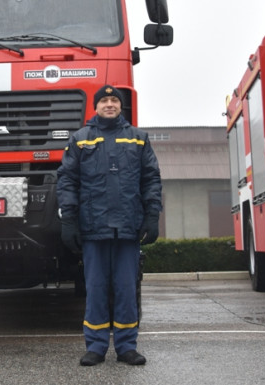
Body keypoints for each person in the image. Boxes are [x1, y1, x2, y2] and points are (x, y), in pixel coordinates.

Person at [56, 84, 162, 366]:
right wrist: (69, 219)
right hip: (93, 228)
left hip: (128, 228)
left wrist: (152, 215)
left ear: (121, 106)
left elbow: (151, 179)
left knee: (127, 288)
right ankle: (96, 346)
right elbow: (67, 180)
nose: (110, 104)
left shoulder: (138, 139)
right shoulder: (80, 139)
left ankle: (127, 347)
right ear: (96, 107)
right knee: (96, 287)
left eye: (115, 100)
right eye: (104, 101)